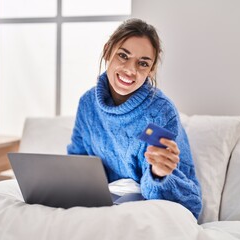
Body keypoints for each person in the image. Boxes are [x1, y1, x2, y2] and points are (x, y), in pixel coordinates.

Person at [67, 18, 202, 219]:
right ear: (107, 51)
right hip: (99, 206)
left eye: (143, 63)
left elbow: (190, 202)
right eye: (123, 55)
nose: (130, 70)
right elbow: (77, 160)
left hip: (145, 211)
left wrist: (158, 174)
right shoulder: (88, 103)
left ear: (151, 69)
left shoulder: (161, 112)